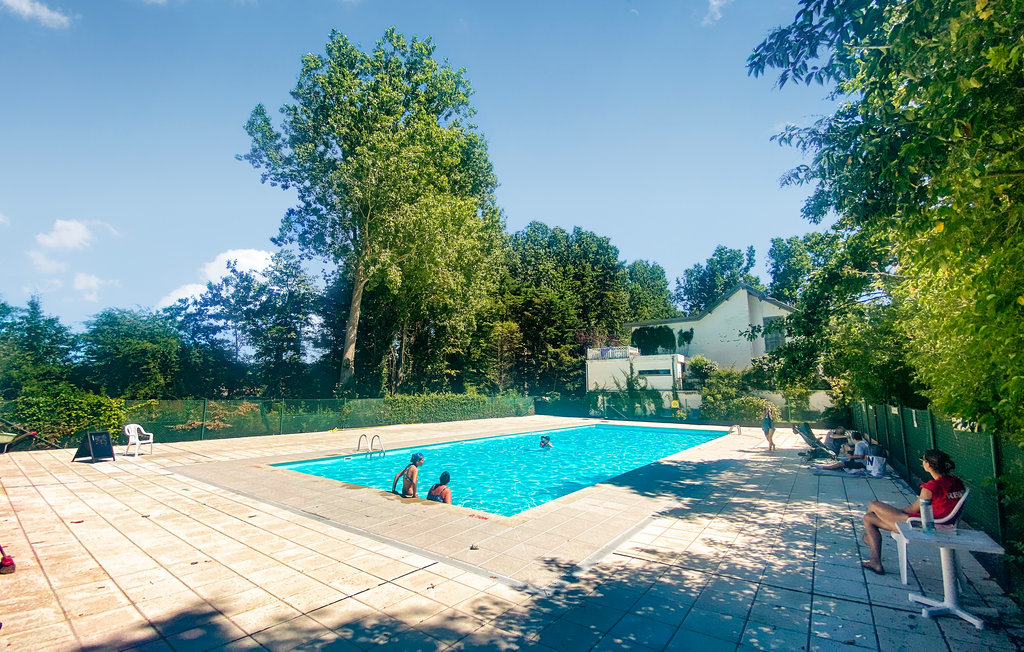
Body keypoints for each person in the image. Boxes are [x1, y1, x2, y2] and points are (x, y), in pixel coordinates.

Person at [860, 449, 965, 575]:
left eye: (923, 461)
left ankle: (871, 542)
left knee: (873, 505)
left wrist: (890, 512)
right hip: (944, 524)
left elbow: (912, 509)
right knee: (868, 517)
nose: (922, 463)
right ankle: (875, 561)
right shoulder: (956, 481)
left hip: (924, 525)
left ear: (929, 465)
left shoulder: (931, 487)